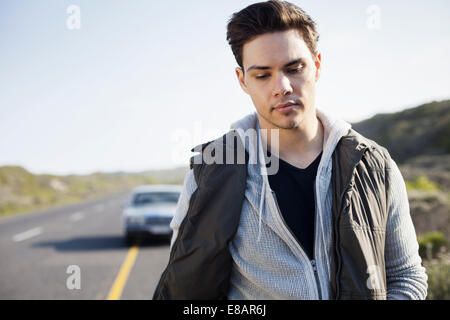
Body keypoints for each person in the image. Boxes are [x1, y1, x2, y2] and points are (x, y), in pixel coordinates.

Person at [153, 0, 428, 300]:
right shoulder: (210, 173)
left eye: (294, 68)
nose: (282, 86)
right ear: (242, 80)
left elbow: (406, 276)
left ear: (317, 65)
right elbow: (187, 294)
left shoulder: (374, 165)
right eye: (262, 75)